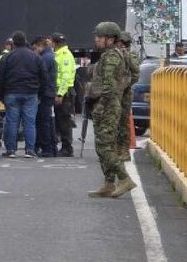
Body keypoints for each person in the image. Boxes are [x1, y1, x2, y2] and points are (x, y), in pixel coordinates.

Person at [88, 21, 135, 199]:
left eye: (100, 37)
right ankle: (108, 183)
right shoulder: (108, 55)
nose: (96, 40)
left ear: (110, 39)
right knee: (102, 146)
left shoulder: (111, 57)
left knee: (105, 146)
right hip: (107, 105)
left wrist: (100, 107)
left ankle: (124, 179)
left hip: (107, 106)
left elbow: (108, 87)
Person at [0, 31, 44, 158]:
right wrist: (40, 93)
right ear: (25, 41)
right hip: (31, 94)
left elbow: (0, 77)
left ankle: (11, 150)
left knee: (12, 122)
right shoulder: (35, 57)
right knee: (30, 122)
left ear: (13, 43)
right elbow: (43, 77)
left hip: (11, 93)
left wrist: (0, 96)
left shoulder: (7, 57)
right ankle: (30, 150)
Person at [117, 31, 141, 163]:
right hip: (116, 91)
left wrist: (126, 85)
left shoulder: (130, 55)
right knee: (115, 122)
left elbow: (135, 74)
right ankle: (117, 150)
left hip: (125, 93)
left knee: (123, 123)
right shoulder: (116, 54)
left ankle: (124, 151)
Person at [52, 33, 77, 157]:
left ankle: (67, 147)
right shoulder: (58, 54)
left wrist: (60, 94)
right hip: (60, 91)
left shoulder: (65, 56)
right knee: (59, 120)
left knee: (64, 122)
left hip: (64, 92)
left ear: (54, 43)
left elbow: (66, 77)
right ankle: (63, 146)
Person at [33, 36, 58, 157]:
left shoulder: (46, 58)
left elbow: (40, 75)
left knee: (44, 121)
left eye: (35, 48)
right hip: (50, 92)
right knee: (47, 120)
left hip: (46, 93)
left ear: (40, 46)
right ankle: (51, 147)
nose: (35, 51)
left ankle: (47, 148)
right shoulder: (49, 56)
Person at [0, 38, 15, 149]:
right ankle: (3, 139)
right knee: (7, 116)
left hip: (3, 93)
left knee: (2, 115)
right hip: (9, 92)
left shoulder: (3, 57)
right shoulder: (5, 56)